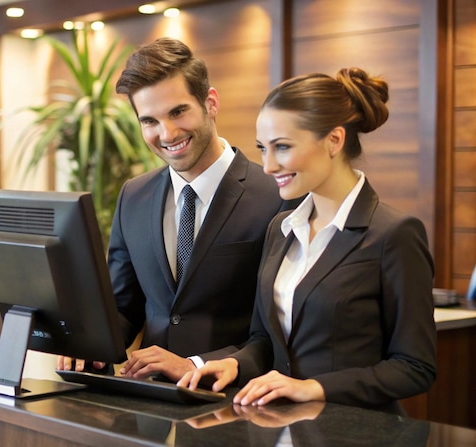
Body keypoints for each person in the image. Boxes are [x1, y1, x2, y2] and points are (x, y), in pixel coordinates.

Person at [178, 67, 437, 413]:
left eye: (282, 147)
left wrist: (313, 388)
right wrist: (237, 364)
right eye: (262, 149)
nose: (268, 166)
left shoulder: (394, 234)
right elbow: (264, 341)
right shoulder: (281, 228)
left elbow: (415, 367)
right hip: (283, 428)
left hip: (356, 433)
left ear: (334, 140)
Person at [57, 37, 300, 381]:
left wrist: (196, 365)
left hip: (237, 401)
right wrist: (89, 346)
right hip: (151, 404)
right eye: (149, 121)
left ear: (210, 103)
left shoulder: (278, 196)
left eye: (178, 112)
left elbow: (284, 325)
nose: (167, 133)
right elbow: (123, 307)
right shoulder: (134, 195)